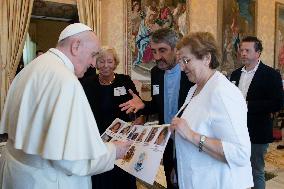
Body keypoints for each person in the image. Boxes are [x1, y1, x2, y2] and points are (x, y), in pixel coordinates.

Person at [0, 23, 131, 189]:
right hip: (47, 180)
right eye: (93, 55)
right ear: (76, 46)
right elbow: (73, 162)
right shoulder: (66, 81)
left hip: (18, 172)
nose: (93, 63)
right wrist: (114, 151)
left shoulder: (34, 66)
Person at [169, 31, 253, 189]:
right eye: (180, 61)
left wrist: (191, 135)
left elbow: (240, 153)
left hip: (220, 182)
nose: (181, 67)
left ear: (207, 58)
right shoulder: (194, 88)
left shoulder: (222, 92)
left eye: (186, 60)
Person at [120, 28, 194, 189]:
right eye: (153, 51)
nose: (157, 57)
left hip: (189, 138)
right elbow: (157, 104)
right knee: (170, 180)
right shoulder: (156, 72)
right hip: (166, 138)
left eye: (162, 50)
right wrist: (143, 106)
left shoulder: (190, 73)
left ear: (176, 49)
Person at [81, 46, 141, 189]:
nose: (105, 65)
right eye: (101, 61)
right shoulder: (87, 83)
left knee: (123, 177)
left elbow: (136, 105)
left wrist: (138, 118)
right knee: (102, 179)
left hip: (122, 137)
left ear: (115, 63)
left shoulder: (125, 81)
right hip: (98, 140)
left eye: (109, 61)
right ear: (96, 63)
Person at [230, 36, 284, 189]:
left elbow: (278, 103)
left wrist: (248, 106)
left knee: (256, 171)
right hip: (234, 131)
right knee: (237, 168)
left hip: (257, 131)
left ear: (258, 53)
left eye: (247, 50)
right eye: (241, 50)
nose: (243, 54)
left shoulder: (271, 74)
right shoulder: (234, 74)